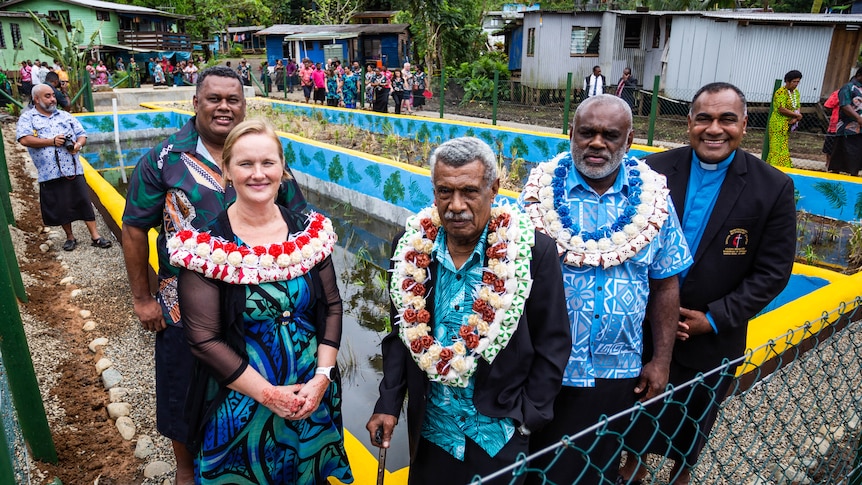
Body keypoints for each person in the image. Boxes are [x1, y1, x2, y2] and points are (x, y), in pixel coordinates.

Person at [121, 66, 308, 485]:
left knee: (252, 388)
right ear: (196, 103)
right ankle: (187, 473)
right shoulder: (164, 161)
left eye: (233, 100)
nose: (224, 107)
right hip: (183, 305)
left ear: (244, 105)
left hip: (255, 307)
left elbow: (301, 220)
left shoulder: (261, 159)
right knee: (184, 389)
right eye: (214, 99)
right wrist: (142, 298)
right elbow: (134, 227)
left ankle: (251, 463)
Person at [618, 82, 797, 485]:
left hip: (714, 334)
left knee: (697, 411)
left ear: (745, 125)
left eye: (727, 119)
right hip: (644, 320)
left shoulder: (772, 188)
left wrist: (713, 318)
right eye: (704, 118)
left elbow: (773, 272)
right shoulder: (652, 171)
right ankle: (636, 462)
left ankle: (682, 472)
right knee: (639, 401)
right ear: (690, 124)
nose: (714, 129)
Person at [366, 136, 571, 485]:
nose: (455, 205)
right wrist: (388, 402)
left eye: (470, 192)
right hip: (430, 431)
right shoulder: (412, 249)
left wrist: (527, 417)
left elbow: (553, 342)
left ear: (494, 189)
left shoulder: (533, 252)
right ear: (434, 191)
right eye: (445, 191)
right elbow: (401, 335)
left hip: (499, 434)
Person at [520, 94, 692, 485]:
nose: (597, 143)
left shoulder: (655, 201)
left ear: (629, 141)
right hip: (548, 366)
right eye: (587, 133)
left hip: (619, 370)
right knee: (540, 468)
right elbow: (510, 276)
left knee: (600, 467)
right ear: (571, 134)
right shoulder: (537, 195)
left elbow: (666, 284)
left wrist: (661, 361)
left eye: (610, 135)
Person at [170, 119, 353, 484]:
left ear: (283, 169)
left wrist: (321, 377)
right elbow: (203, 340)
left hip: (308, 396)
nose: (258, 174)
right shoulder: (206, 248)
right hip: (242, 402)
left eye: (268, 163)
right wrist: (269, 395)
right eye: (245, 164)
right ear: (226, 170)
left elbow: (332, 306)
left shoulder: (309, 233)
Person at [17, 84, 112, 252]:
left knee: (83, 201)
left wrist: (77, 145)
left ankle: (95, 236)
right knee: (60, 205)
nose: (53, 99)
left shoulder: (65, 116)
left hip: (73, 169)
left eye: (53, 95)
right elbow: (24, 139)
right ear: (36, 99)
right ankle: (70, 237)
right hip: (49, 172)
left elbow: (82, 134)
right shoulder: (28, 118)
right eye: (47, 96)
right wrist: (51, 141)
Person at [766, 70, 803, 168]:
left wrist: (796, 116)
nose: (796, 84)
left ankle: (783, 167)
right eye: (794, 82)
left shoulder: (796, 93)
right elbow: (781, 109)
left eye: (798, 82)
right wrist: (796, 116)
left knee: (783, 146)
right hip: (778, 124)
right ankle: (772, 167)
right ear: (787, 81)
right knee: (776, 147)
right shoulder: (781, 92)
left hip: (788, 123)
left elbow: (797, 105)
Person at [829, 68, 862, 176]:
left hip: (860, 130)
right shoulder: (848, 87)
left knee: (857, 156)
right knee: (845, 155)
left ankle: (854, 178)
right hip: (847, 129)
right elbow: (845, 105)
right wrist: (858, 118)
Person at [822, 90, 840, 170]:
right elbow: (828, 105)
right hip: (836, 125)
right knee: (830, 147)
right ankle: (829, 165)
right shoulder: (839, 93)